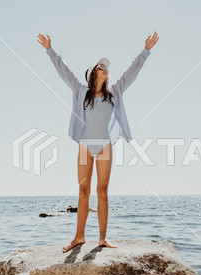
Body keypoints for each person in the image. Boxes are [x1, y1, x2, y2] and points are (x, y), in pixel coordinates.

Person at [37, 32, 159, 253]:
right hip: (85, 145)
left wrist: (146, 50)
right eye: (101, 66)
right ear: (94, 73)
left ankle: (102, 238)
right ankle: (79, 237)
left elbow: (132, 72)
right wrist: (49, 49)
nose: (106, 69)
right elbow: (63, 71)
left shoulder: (115, 92)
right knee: (83, 191)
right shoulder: (81, 91)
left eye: (107, 67)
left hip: (104, 146)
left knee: (102, 191)